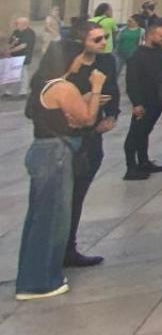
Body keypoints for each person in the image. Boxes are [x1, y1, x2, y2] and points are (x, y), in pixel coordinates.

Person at [16, 38, 105, 301]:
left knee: (40, 218)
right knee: (52, 219)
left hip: (44, 151)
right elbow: (87, 119)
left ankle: (33, 276)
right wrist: (96, 89)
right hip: (54, 154)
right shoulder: (63, 87)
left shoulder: (45, 84)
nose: (81, 61)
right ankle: (39, 282)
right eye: (79, 56)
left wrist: (84, 99)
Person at [123, 19, 162, 179]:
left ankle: (144, 161)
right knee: (135, 133)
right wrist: (136, 103)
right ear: (150, 35)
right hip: (143, 100)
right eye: (161, 36)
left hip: (157, 99)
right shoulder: (137, 56)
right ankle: (131, 167)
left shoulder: (161, 53)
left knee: (145, 132)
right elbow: (132, 81)